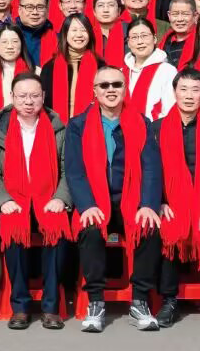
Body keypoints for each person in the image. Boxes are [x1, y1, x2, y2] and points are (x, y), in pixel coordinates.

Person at [64, 66, 166, 331]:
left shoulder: (140, 122)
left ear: (125, 88)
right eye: (104, 85)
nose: (111, 90)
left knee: (150, 227)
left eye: (116, 84)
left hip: (131, 200)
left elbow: (152, 167)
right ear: (94, 91)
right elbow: (74, 171)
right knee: (90, 229)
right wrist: (87, 205)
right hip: (95, 201)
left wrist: (148, 205)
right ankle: (96, 302)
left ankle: (139, 301)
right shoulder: (77, 125)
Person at [139, 71, 200, 330]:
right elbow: (149, 170)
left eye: (195, 90)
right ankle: (169, 300)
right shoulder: (157, 128)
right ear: (174, 92)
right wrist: (159, 202)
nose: (189, 95)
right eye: (183, 89)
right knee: (169, 231)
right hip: (171, 203)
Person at [0, 74, 72, 330]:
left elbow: (68, 170)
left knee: (57, 227)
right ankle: (20, 305)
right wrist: (2, 200)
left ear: (43, 97)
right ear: (12, 97)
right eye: (22, 96)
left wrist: (60, 198)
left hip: (49, 196)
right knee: (13, 227)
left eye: (34, 95)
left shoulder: (58, 128)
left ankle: (51, 306)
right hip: (13, 197)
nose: (28, 101)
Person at [43, 15, 102, 119]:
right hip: (56, 125)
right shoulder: (49, 67)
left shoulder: (100, 66)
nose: (79, 35)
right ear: (65, 34)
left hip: (90, 123)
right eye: (74, 30)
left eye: (83, 30)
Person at [121, 19, 178, 120]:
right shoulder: (121, 72)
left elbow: (170, 109)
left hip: (155, 128)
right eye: (134, 37)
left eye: (144, 36)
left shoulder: (167, 71)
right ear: (128, 43)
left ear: (154, 39)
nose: (140, 42)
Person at [0, 27, 33, 119]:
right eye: (4, 42)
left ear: (22, 44)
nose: (10, 46)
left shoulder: (35, 72)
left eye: (15, 41)